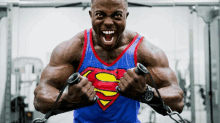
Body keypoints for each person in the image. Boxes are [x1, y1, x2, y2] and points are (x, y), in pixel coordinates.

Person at [33, 0, 184, 122]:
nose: (108, 22)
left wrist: (145, 93)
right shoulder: (73, 48)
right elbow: (40, 99)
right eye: (100, 15)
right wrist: (69, 100)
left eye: (117, 15)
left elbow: (177, 101)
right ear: (91, 15)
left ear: (126, 16)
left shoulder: (145, 51)